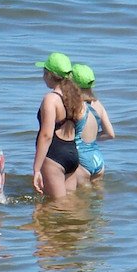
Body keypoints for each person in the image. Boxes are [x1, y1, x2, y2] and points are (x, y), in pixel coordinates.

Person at [31, 52, 83, 199]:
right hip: (72, 153)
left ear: (49, 75)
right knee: (70, 203)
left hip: (54, 156)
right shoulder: (75, 97)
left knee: (55, 205)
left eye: (44, 72)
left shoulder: (51, 99)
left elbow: (46, 135)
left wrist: (36, 169)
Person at [71, 63, 116, 186]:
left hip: (81, 159)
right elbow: (110, 134)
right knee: (98, 196)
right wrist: (90, 138)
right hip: (97, 158)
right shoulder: (98, 104)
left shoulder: (75, 106)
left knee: (81, 197)